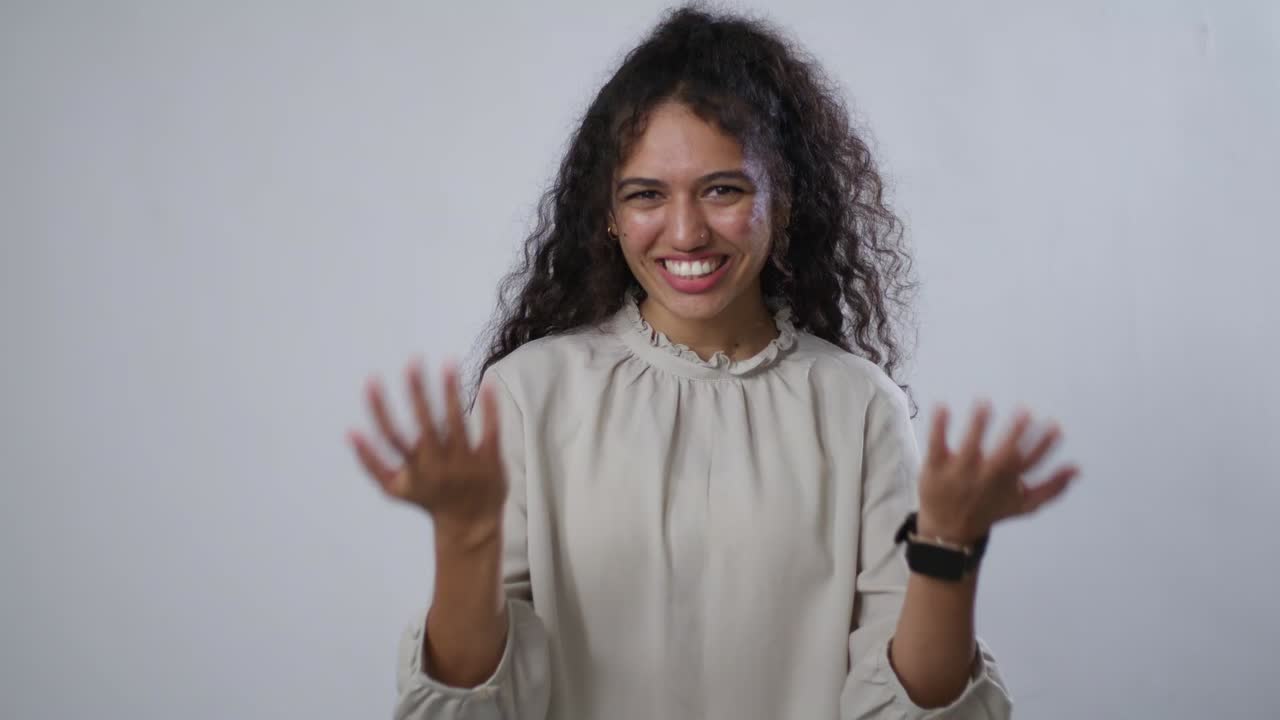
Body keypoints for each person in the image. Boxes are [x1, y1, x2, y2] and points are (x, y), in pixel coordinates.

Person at [349, 6, 1078, 719]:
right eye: (646, 196)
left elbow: (904, 709)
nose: (686, 231)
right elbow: (477, 710)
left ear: (784, 199)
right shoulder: (530, 392)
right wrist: (463, 540)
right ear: (607, 213)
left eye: (723, 190)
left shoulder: (858, 405)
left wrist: (946, 555)